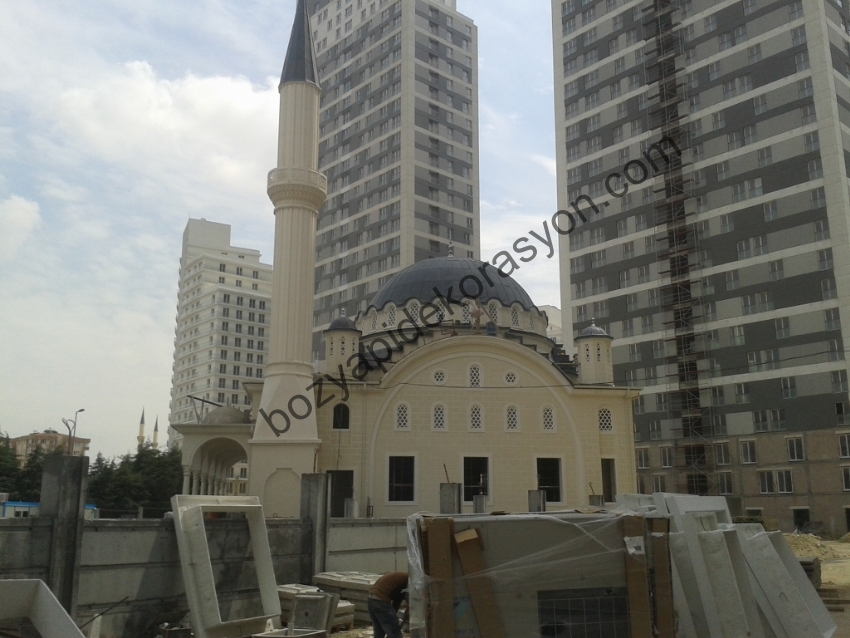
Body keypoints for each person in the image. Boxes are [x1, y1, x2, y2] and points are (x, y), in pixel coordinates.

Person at [367, 571, 408, 638]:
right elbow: (398, 599)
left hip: (371, 599)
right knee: (394, 632)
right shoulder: (408, 581)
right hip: (381, 600)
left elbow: (397, 598)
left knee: (379, 631)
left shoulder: (401, 578)